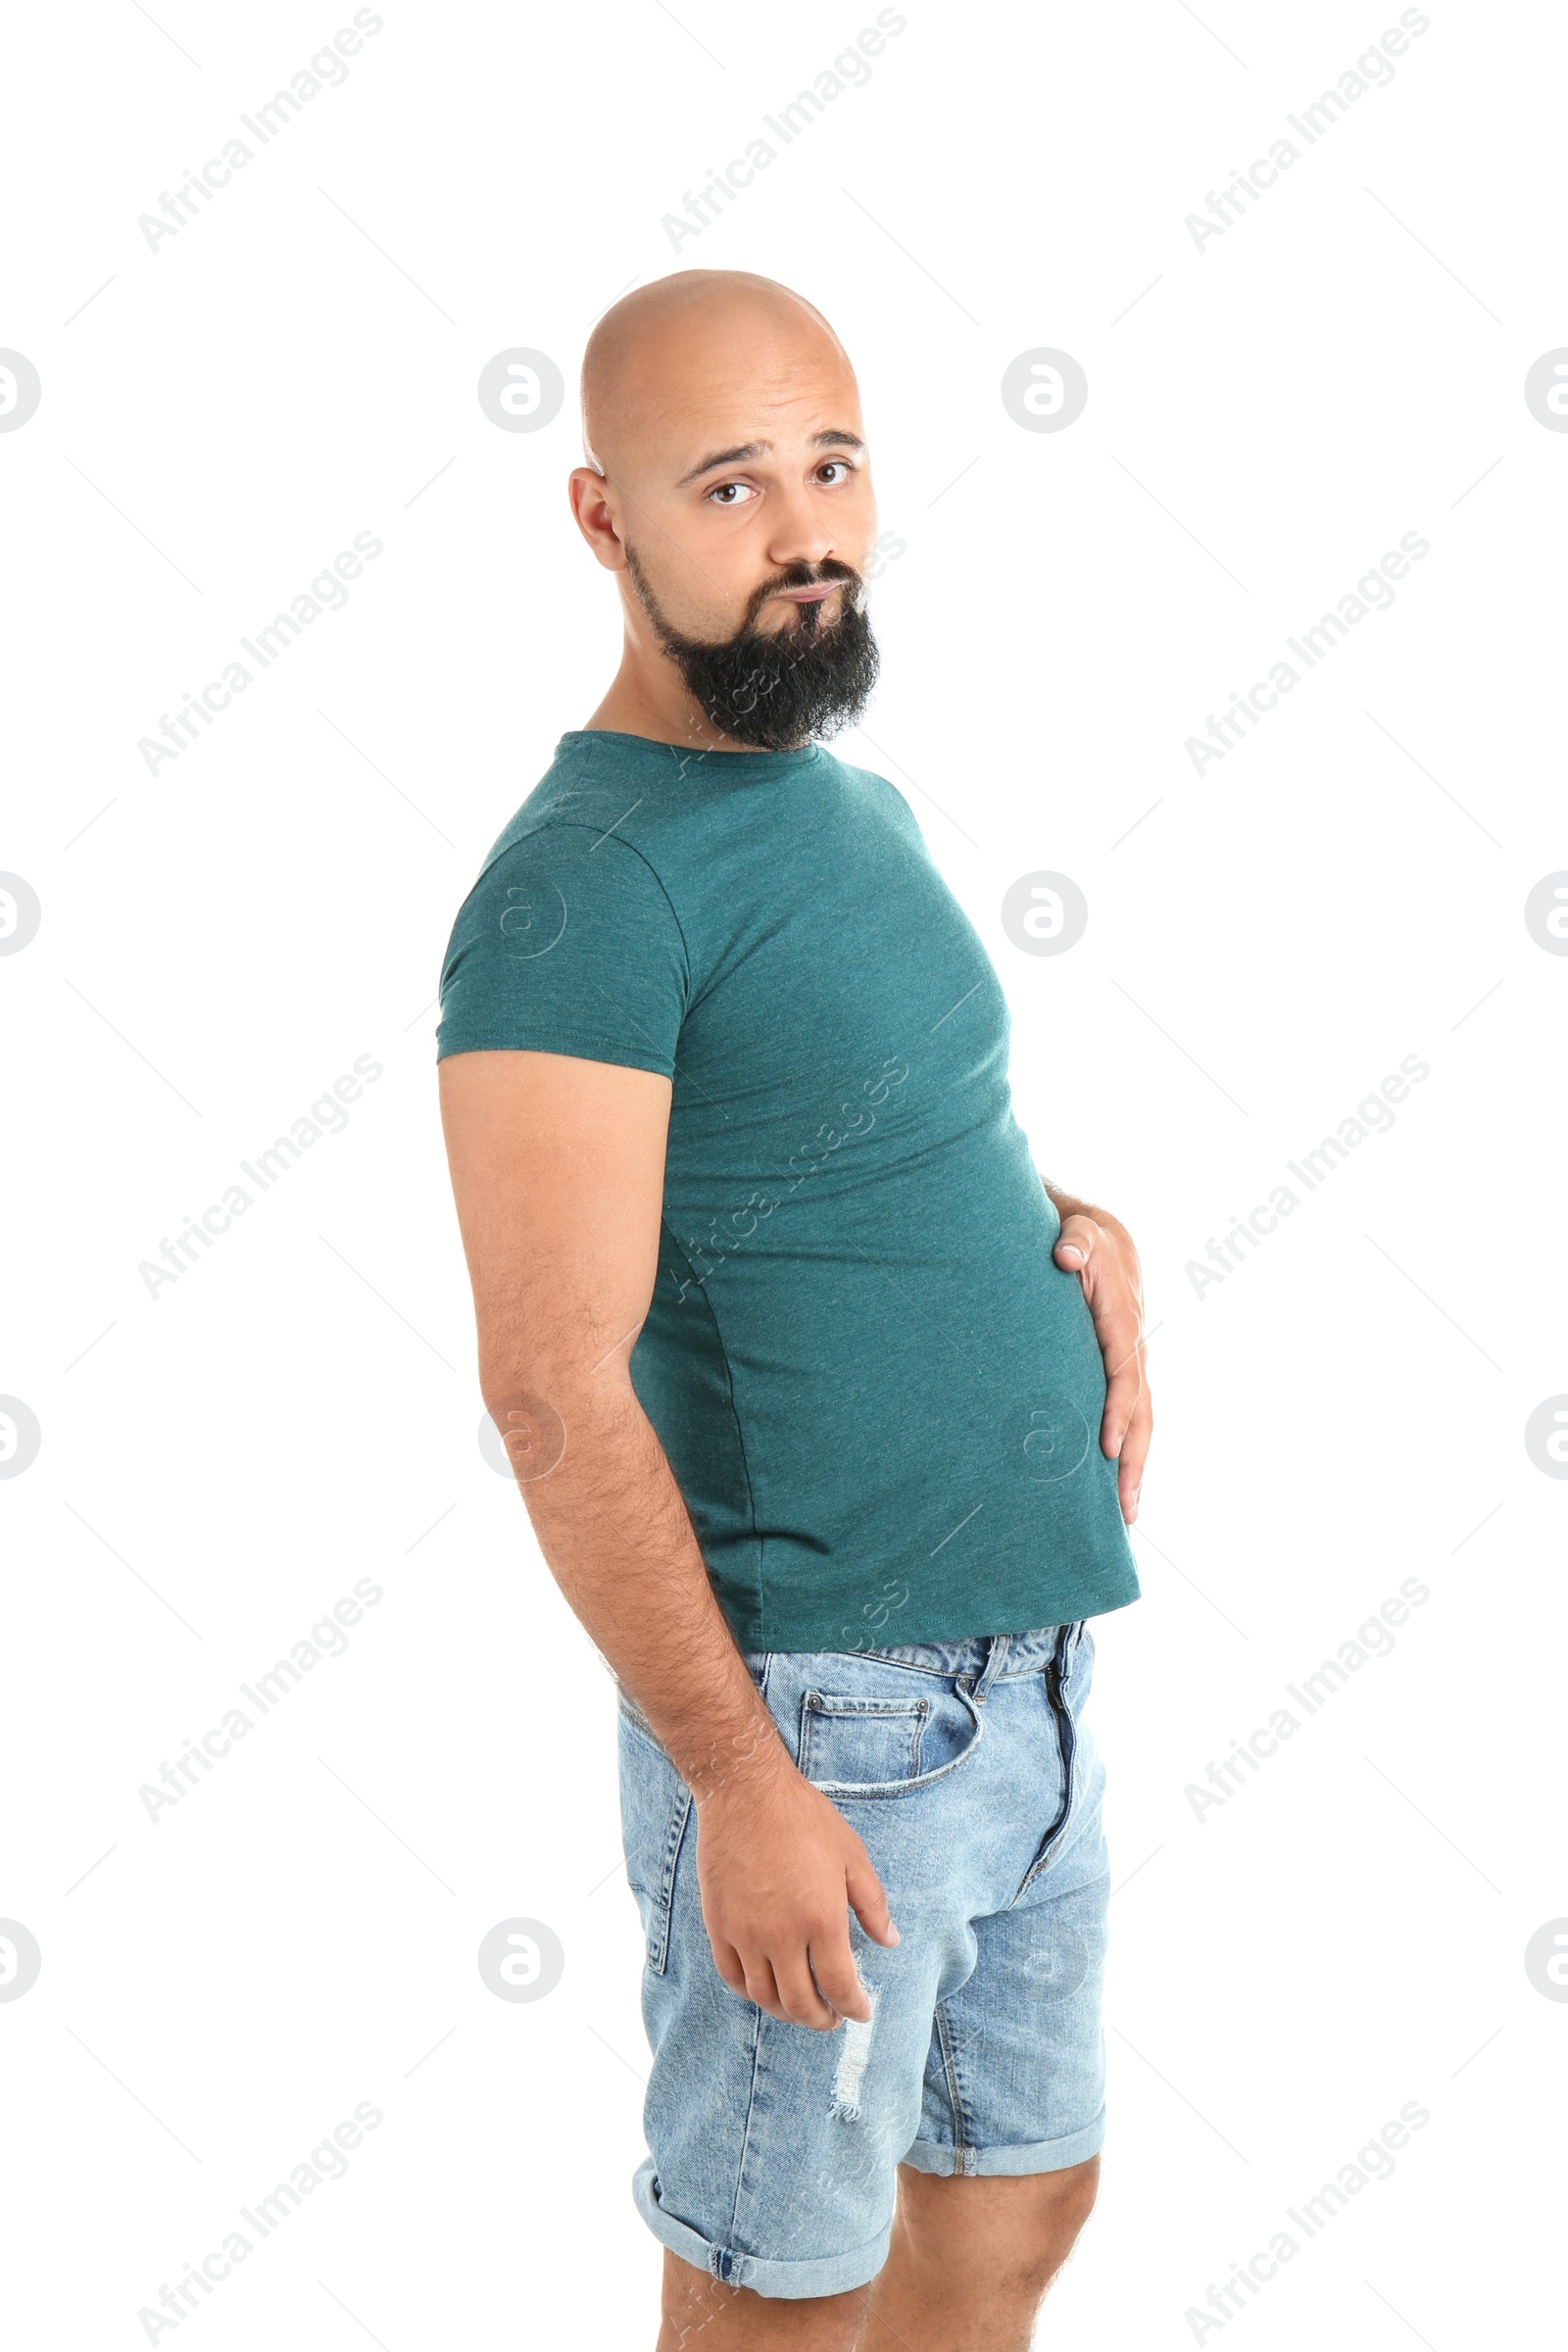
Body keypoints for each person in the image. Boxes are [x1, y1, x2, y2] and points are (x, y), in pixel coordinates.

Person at [436, 269, 1152, 2352]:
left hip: (1025, 1670)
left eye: (828, 464)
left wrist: (1066, 1228)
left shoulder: (848, 806)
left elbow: (857, 1127)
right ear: (601, 522)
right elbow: (549, 1381)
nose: (801, 528)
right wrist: (738, 1780)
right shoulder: (580, 890)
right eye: (727, 485)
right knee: (780, 2285)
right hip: (824, 1712)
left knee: (1016, 2202)